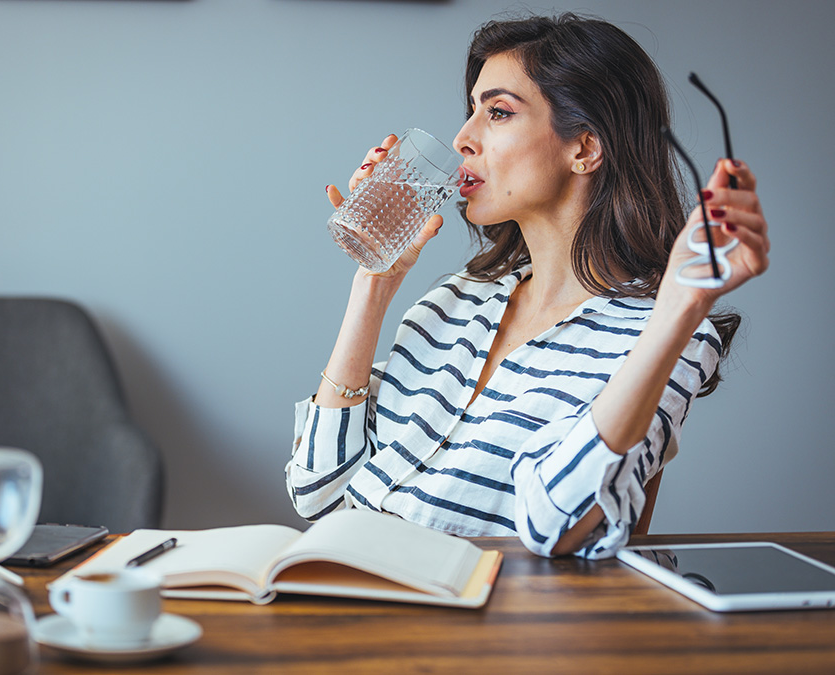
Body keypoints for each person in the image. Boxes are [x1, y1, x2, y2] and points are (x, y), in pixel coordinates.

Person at [286, 13, 769, 558]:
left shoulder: (664, 332)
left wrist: (679, 309)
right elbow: (317, 491)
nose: (463, 138)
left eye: (497, 112)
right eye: (471, 111)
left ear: (584, 148)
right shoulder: (453, 301)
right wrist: (375, 281)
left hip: (479, 630)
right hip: (349, 597)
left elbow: (554, 529)